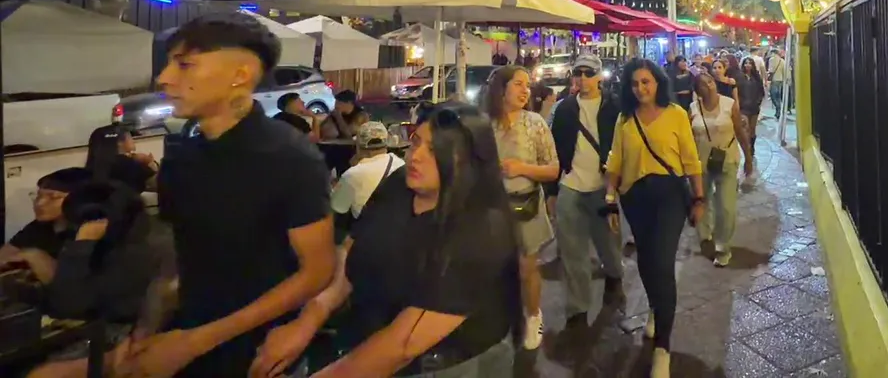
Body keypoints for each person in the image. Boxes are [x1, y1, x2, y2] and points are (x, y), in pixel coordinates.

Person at [116, 12, 334, 378]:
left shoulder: (289, 157)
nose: (164, 77)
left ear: (240, 75)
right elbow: (177, 255)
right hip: (182, 341)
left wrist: (197, 341)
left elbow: (317, 270)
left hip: (261, 354)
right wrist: (145, 330)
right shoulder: (182, 155)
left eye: (185, 64)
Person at [249, 103, 522, 378]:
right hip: (367, 342)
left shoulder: (483, 229)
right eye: (416, 142)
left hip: (444, 366)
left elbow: (403, 345)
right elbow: (353, 250)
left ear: (468, 162)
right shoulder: (399, 184)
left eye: (434, 150)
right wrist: (310, 317)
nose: (416, 156)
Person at [604, 59, 704, 378]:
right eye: (635, 83)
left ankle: (663, 347)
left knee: (662, 262)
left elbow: (691, 159)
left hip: (670, 196)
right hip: (635, 198)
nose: (640, 88)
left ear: (658, 82)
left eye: (646, 81)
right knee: (646, 262)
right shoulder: (625, 118)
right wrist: (610, 200)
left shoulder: (675, 114)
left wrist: (699, 198)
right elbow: (615, 161)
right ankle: (655, 305)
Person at [27, 181, 159, 378]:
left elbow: (69, 304)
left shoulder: (133, 252)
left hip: (118, 335)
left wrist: (81, 244)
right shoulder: (130, 237)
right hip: (102, 327)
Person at [546, 54, 623, 329]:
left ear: (599, 76)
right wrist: (552, 191)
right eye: (578, 73)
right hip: (571, 184)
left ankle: (614, 276)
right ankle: (577, 309)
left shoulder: (615, 105)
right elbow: (555, 150)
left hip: (604, 187)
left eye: (588, 73)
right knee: (572, 252)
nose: (583, 79)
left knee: (608, 244)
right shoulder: (565, 108)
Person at [486, 66, 560, 350]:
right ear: (501, 88)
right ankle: (504, 317)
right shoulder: (485, 124)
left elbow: (552, 169)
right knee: (496, 267)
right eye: (518, 84)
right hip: (493, 208)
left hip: (526, 204)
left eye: (527, 85)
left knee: (527, 266)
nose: (525, 90)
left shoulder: (535, 123)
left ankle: (533, 315)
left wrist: (521, 168)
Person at [690, 73, 745, 266]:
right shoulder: (693, 108)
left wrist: (749, 157)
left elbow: (739, 131)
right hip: (701, 163)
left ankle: (723, 247)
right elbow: (688, 137)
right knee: (702, 201)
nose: (709, 85)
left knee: (726, 207)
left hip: (727, 160)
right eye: (703, 84)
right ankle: (706, 238)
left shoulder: (729, 104)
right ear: (698, 91)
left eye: (710, 81)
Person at [0, 167, 93, 283]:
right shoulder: (39, 226)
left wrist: (34, 257)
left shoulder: (90, 232)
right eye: (38, 195)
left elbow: (71, 285)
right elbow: (5, 254)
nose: (39, 203)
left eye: (53, 197)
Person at [330, 122, 404, 221]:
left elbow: (338, 207)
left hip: (369, 228)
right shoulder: (401, 164)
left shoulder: (353, 174)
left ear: (358, 146)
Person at [85, 125, 158, 194]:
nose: (133, 140)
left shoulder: (91, 167)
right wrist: (150, 163)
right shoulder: (131, 165)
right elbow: (159, 184)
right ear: (119, 142)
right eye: (130, 137)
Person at [736, 58, 766, 186]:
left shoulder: (756, 78)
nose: (748, 65)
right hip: (743, 108)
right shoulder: (739, 78)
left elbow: (761, 92)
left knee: (752, 131)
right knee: (746, 130)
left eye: (750, 63)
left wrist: (758, 102)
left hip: (754, 107)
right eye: (746, 63)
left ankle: (751, 147)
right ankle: (747, 149)